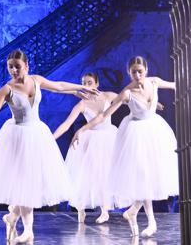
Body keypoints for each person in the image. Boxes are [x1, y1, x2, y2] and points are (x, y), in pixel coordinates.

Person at [0, 49, 94, 243]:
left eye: (17, 66)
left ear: (27, 66)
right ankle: (28, 230)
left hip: (37, 134)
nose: (13, 70)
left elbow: (58, 86)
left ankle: (13, 216)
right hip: (18, 137)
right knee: (25, 183)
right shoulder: (7, 89)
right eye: (10, 67)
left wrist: (80, 88)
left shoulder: (37, 80)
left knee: (31, 182)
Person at [71, 55, 178, 238]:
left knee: (152, 175)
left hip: (155, 131)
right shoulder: (127, 92)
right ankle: (150, 221)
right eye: (133, 72)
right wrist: (81, 130)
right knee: (144, 175)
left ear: (146, 70)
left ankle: (134, 211)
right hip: (136, 134)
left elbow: (176, 84)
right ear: (129, 73)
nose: (137, 75)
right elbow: (103, 115)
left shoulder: (154, 82)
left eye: (140, 71)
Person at [53, 72, 118, 224]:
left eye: (89, 82)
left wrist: (153, 103)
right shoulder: (82, 103)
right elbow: (66, 124)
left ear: (97, 84)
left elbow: (127, 98)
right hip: (91, 139)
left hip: (109, 138)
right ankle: (80, 209)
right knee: (84, 175)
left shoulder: (108, 96)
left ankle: (104, 210)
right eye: (84, 83)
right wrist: (52, 138)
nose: (87, 86)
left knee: (104, 175)